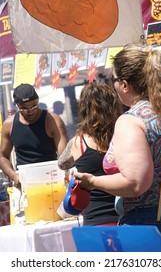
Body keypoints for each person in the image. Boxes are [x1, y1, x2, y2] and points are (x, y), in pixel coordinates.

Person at [72, 44, 161, 251]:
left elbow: (136, 183)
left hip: (151, 224)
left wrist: (92, 181)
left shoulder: (132, 120)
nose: (113, 86)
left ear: (125, 85)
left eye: (113, 80)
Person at [58, 81, 122, 226]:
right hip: (123, 216)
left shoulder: (78, 142)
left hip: (94, 219)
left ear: (84, 110)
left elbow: (62, 163)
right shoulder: (123, 135)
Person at [0, 83, 68, 188]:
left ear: (38, 100)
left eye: (34, 106)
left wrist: (64, 173)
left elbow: (65, 156)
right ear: (17, 106)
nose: (30, 112)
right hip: (25, 182)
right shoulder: (9, 125)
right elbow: (3, 156)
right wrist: (14, 175)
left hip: (51, 179)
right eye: (24, 108)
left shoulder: (52, 121)